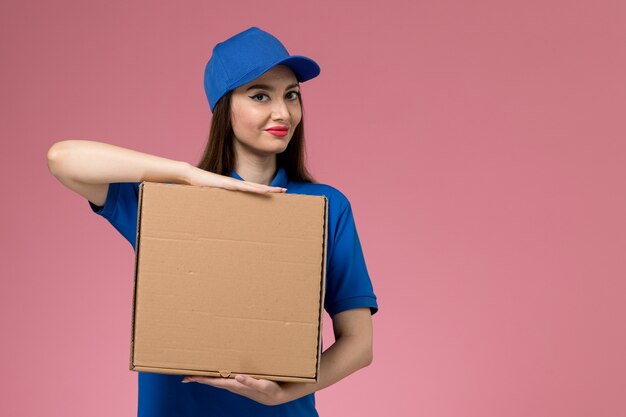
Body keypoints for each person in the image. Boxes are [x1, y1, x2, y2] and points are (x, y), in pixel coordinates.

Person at [47, 26, 378, 416]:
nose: (283, 112)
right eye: (260, 96)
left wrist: (284, 393)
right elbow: (63, 159)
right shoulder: (172, 203)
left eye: (292, 95)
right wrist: (187, 175)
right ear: (225, 107)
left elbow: (359, 343)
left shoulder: (326, 206)